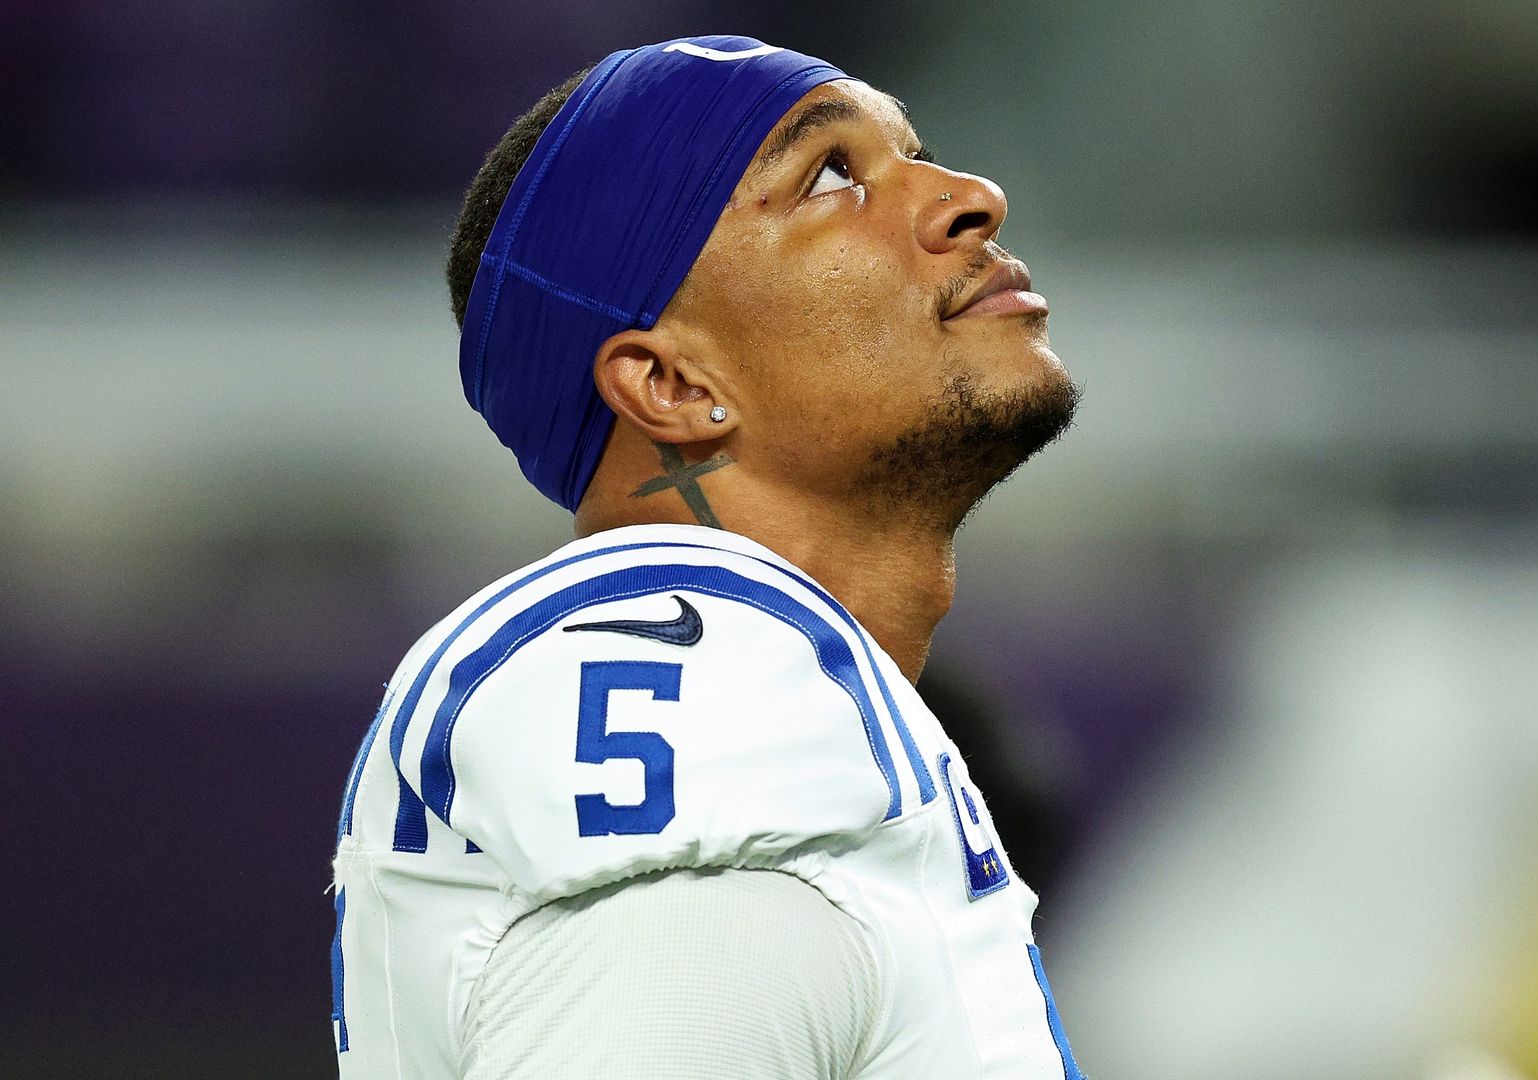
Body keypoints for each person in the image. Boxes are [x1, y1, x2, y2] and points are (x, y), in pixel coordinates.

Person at [329, 34, 1085, 1079]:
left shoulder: (804, 717)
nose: (970, 197)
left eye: (914, 149)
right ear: (672, 387)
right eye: (829, 176)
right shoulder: (720, 736)